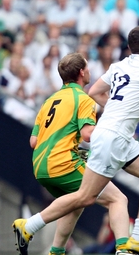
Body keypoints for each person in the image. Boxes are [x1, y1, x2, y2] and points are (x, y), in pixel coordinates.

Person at [13, 26, 139, 255]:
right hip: (101, 142)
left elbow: (94, 92)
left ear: (130, 47)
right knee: (91, 198)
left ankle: (135, 239)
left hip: (51, 159)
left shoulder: (115, 67)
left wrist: (116, 109)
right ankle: (30, 225)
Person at [26, 53, 133, 255]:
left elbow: (34, 141)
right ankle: (124, 250)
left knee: (77, 202)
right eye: (87, 67)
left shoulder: (50, 100)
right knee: (118, 199)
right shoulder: (83, 99)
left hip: (40, 167)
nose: (90, 70)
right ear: (82, 72)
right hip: (62, 163)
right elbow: (87, 135)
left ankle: (56, 252)